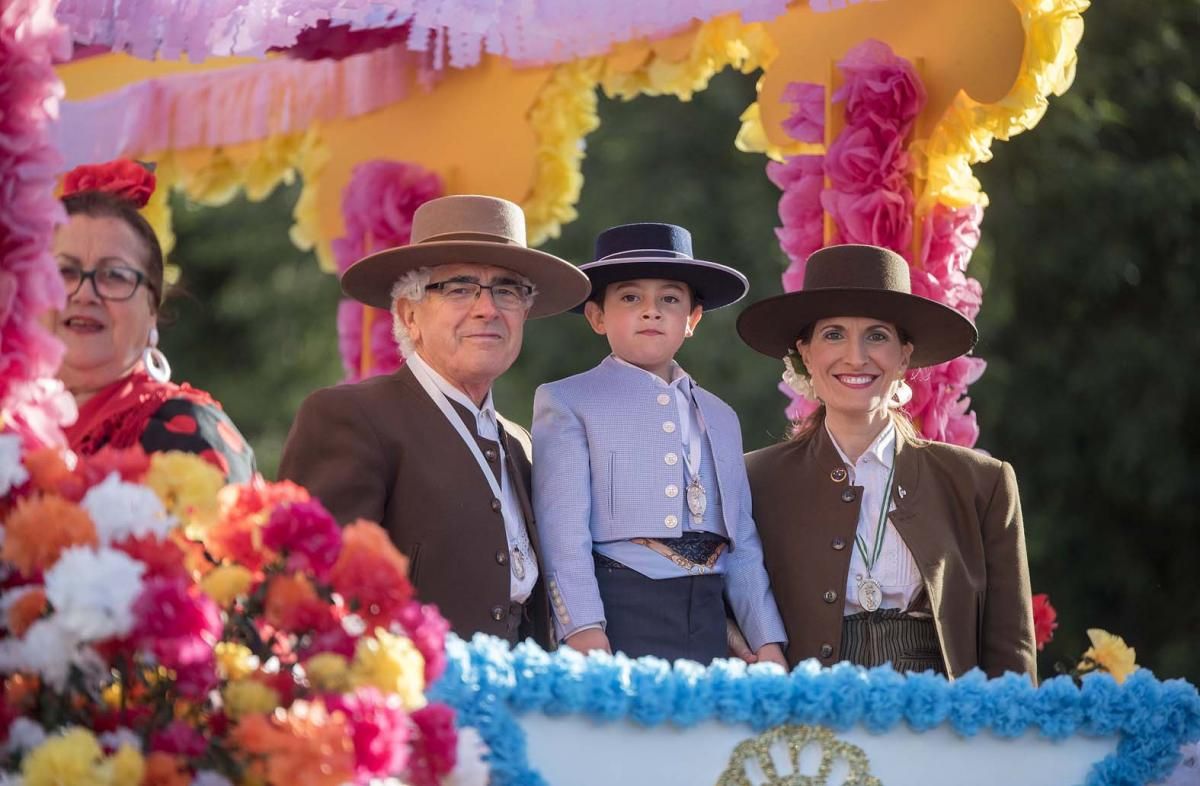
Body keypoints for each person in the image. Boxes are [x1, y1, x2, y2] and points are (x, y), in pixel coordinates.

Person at [279, 194, 590, 647]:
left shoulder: (522, 443)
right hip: (410, 704)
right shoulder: (350, 417)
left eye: (506, 289)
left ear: (524, 313)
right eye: (460, 288)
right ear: (409, 314)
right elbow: (313, 594)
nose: (487, 308)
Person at [738, 243, 1036, 679]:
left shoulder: (982, 484)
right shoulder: (753, 479)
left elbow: (1011, 656)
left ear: (904, 355)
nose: (856, 356)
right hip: (809, 717)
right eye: (833, 334)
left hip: (943, 721)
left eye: (877, 335)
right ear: (805, 352)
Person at [532, 223, 788, 665]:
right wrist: (583, 630)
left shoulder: (722, 416)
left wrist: (767, 643)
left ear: (692, 319)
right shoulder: (568, 400)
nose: (651, 312)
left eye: (669, 299)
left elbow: (743, 542)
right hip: (621, 612)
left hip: (708, 620)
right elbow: (563, 534)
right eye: (630, 298)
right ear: (597, 316)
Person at [50, 160, 256, 481]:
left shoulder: (185, 429)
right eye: (64, 271)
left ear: (152, 310)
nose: (85, 293)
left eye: (114, 275)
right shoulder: (13, 427)